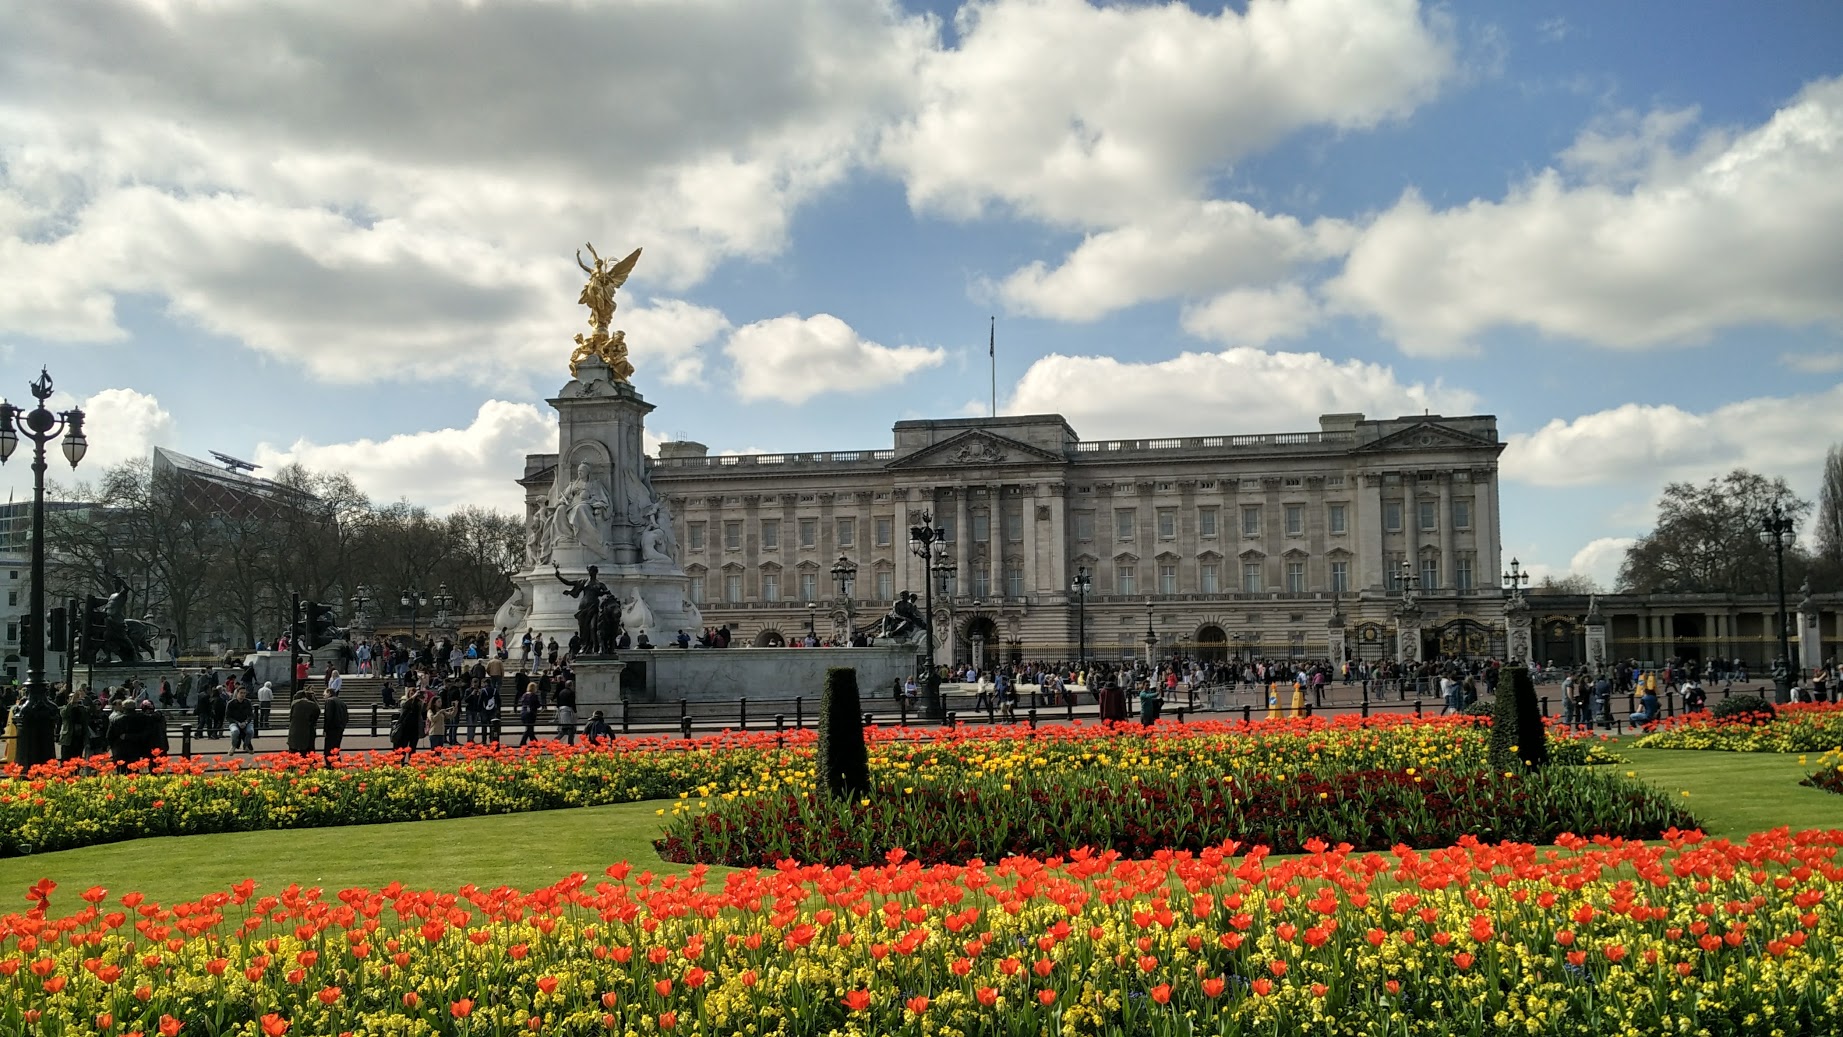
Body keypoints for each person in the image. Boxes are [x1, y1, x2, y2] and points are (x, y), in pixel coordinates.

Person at [285, 690, 320, 755]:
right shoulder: (313, 705)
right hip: (307, 731)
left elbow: (291, 717)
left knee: (293, 752)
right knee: (307, 753)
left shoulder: (295, 703)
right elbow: (316, 716)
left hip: (294, 730)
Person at [322, 685, 349, 765]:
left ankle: (330, 766)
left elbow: (328, 717)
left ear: (329, 693)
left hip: (332, 729)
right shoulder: (341, 702)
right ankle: (337, 765)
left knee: (328, 750)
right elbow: (346, 716)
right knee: (335, 749)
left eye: (324, 694)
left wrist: (325, 729)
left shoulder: (329, 701)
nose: (323, 696)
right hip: (339, 728)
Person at [226, 687, 256, 755]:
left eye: (244, 693)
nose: (243, 695)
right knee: (235, 731)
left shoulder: (248, 702)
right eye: (241, 693)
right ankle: (233, 746)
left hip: (246, 722)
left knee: (250, 731)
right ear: (237, 693)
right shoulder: (230, 703)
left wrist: (246, 722)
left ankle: (246, 745)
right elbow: (228, 717)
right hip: (234, 722)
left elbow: (251, 715)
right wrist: (237, 723)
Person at [517, 681, 541, 745]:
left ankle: (533, 742)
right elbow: (538, 705)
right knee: (529, 729)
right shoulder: (534, 695)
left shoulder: (524, 695)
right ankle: (524, 742)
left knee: (530, 729)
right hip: (531, 713)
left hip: (523, 713)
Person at [554, 680, 577, 744]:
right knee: (571, 728)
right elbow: (572, 702)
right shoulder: (571, 692)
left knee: (564, 728)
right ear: (571, 685)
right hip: (568, 710)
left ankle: (556, 739)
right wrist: (575, 711)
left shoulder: (561, 692)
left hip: (561, 710)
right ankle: (570, 743)